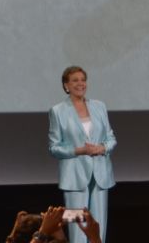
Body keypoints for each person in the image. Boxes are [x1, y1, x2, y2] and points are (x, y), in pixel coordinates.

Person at [48, 66, 116, 243]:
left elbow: (111, 138)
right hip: (74, 178)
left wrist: (102, 148)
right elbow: (54, 147)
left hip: (101, 174)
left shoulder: (99, 106)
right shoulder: (57, 111)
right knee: (77, 227)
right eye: (75, 80)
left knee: (98, 226)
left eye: (83, 80)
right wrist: (80, 150)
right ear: (66, 85)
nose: (80, 84)